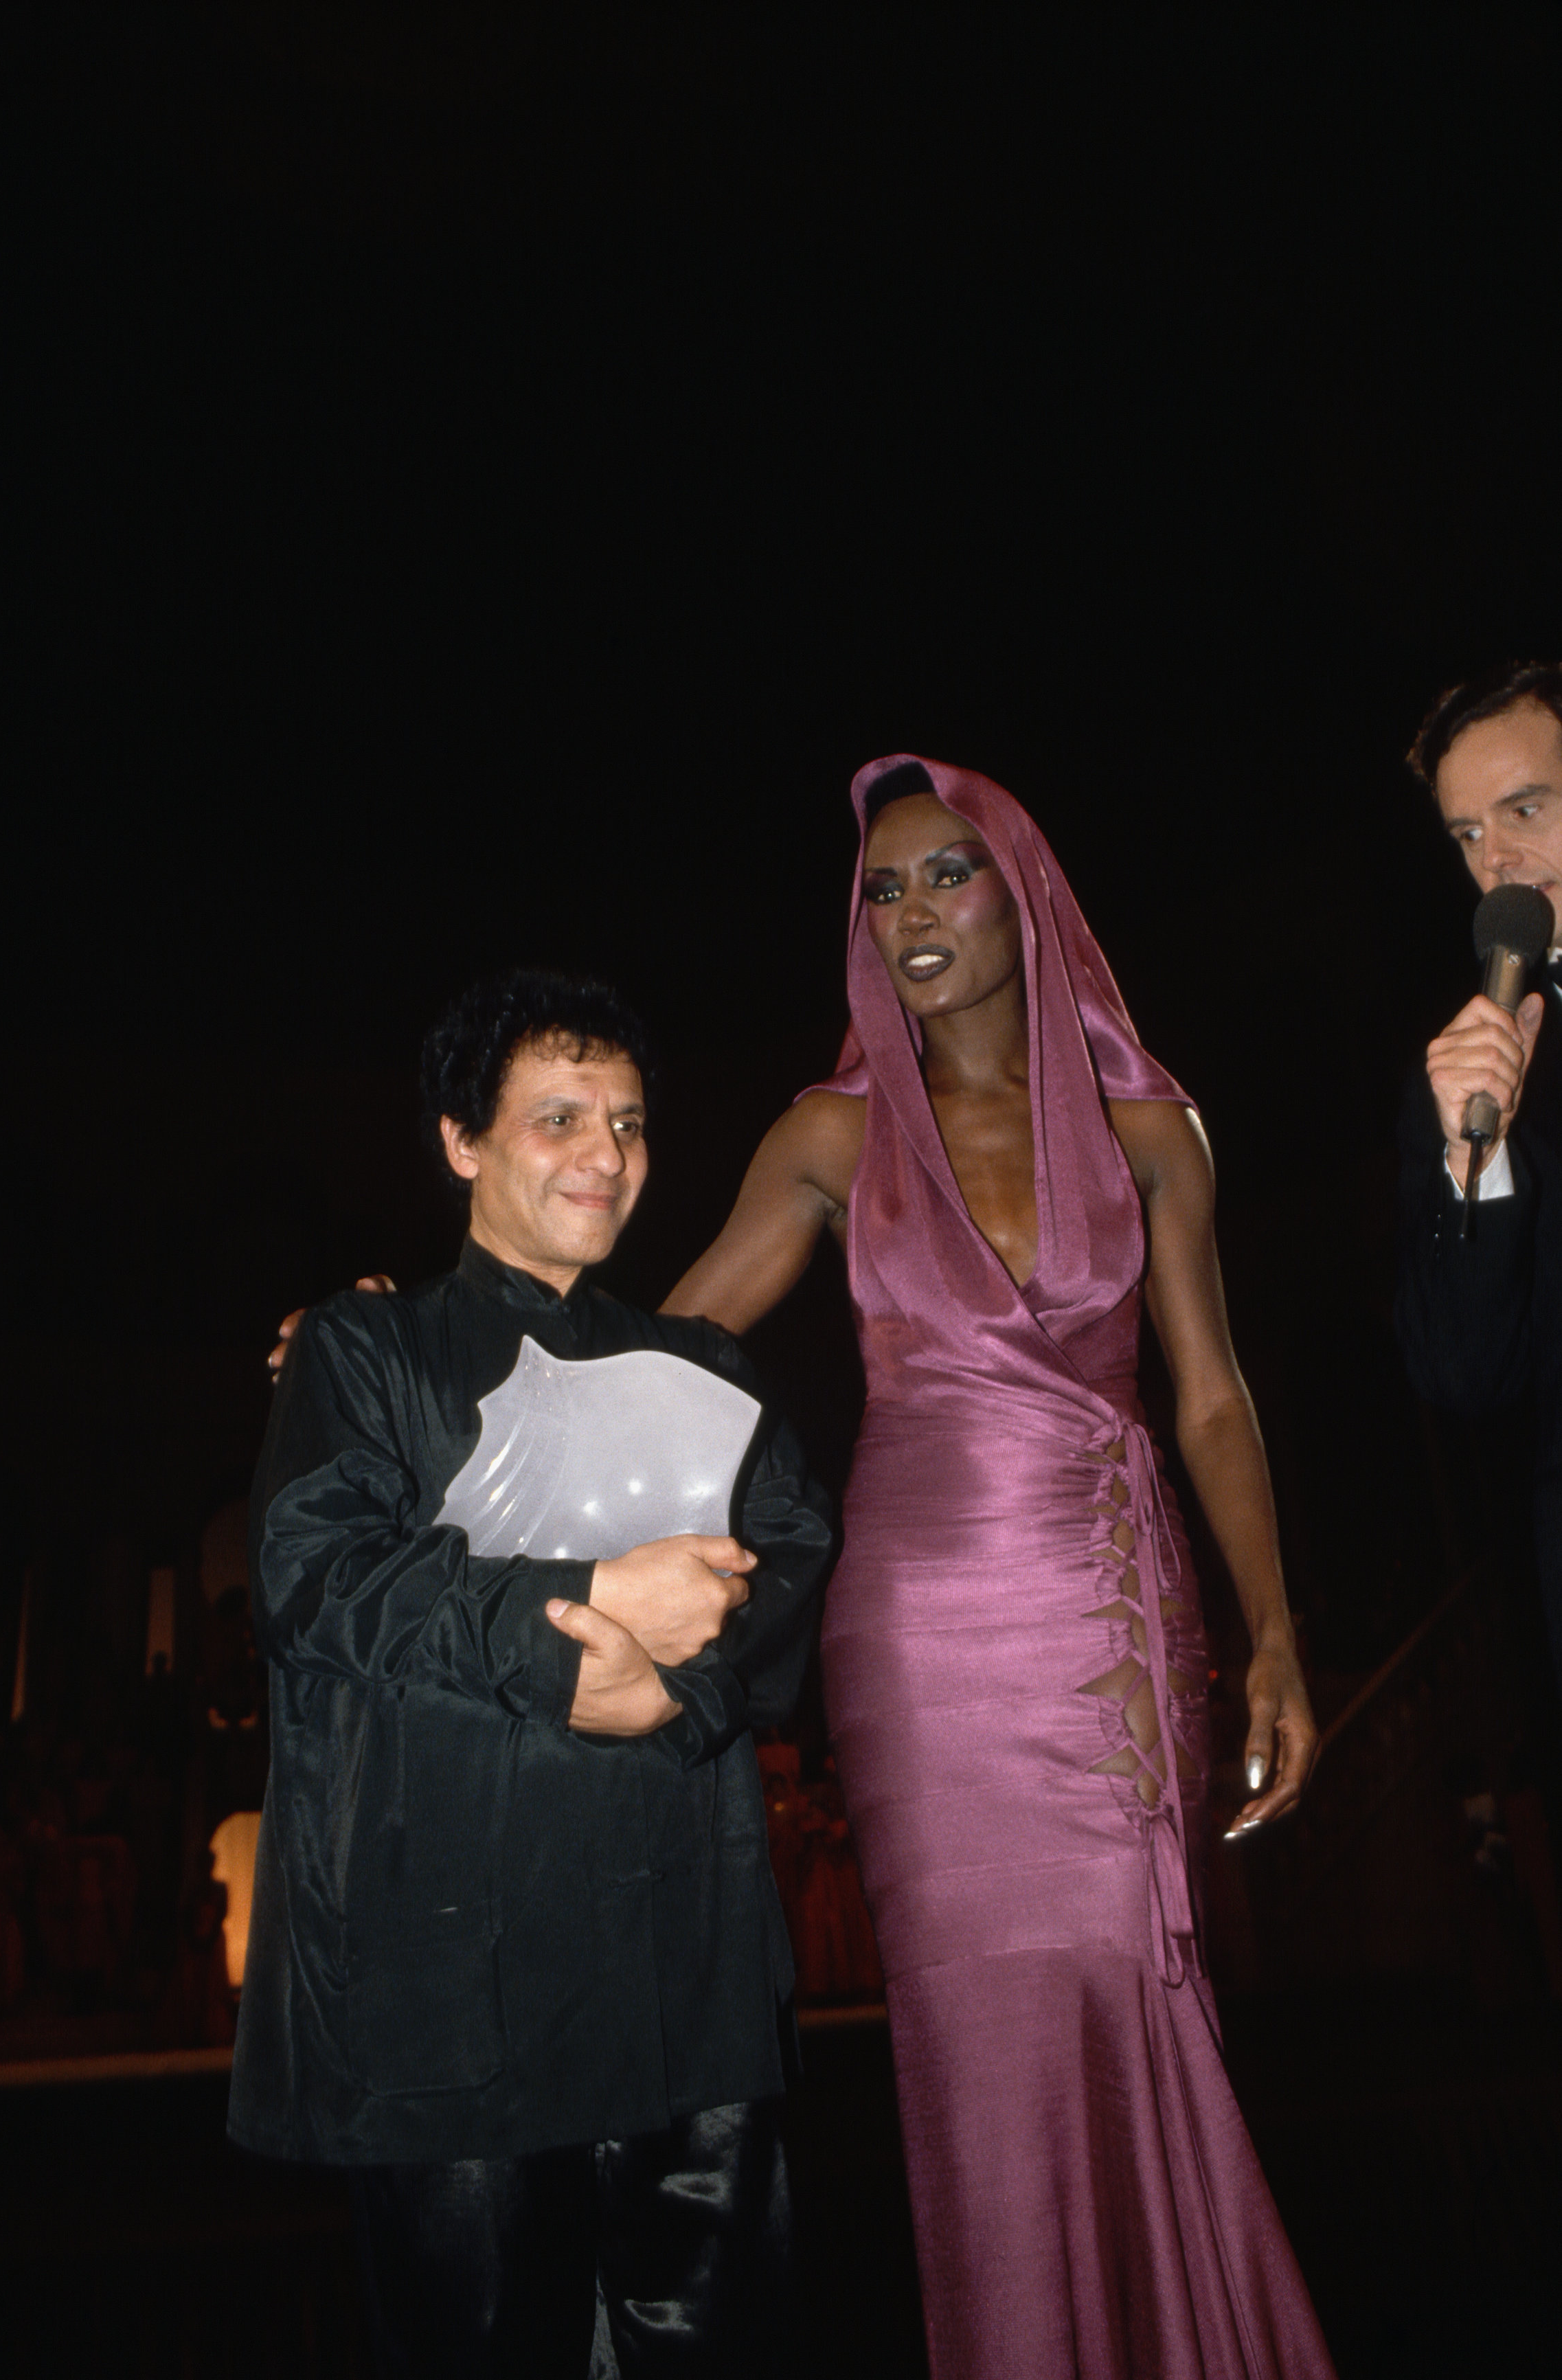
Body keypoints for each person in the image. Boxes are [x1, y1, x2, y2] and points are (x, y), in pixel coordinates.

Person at [659, 758, 1331, 2378]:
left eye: (947, 875)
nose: (912, 914)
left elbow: (1216, 1394)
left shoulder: (1152, 1128)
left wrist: (1277, 1634)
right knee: (974, 2041)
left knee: (1137, 1992)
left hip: (1108, 1616)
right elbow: (669, 1344)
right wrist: (420, 1338)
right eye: (881, 891)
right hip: (921, 1634)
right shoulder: (832, 1131)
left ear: (1024, 895)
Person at [231, 968, 833, 2379]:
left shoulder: (707, 1369)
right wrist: (585, 1613)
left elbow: (795, 1557)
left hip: (685, 1982)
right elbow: (315, 1575)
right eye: (559, 1116)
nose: (606, 1155)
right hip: (453, 1997)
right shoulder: (364, 1347)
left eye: (627, 1121)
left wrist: (674, 1686)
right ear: (461, 1141)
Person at [1394, 661, 1562, 1695]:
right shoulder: (1467, 1074)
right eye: (1464, 834)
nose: (1495, 860)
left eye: (1526, 808)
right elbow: (1459, 1376)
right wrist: (1477, 1155)